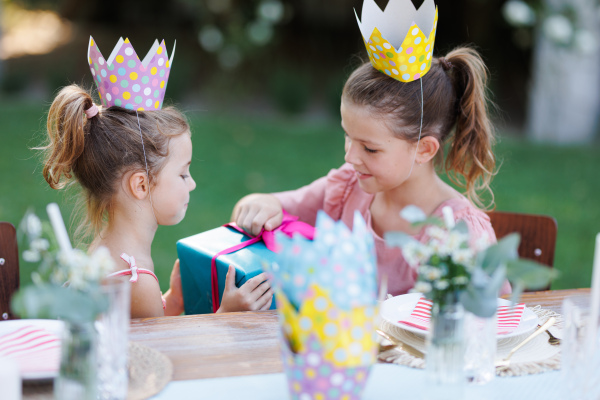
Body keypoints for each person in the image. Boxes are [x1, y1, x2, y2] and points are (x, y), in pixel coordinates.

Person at [232, 47, 511, 297]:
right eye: (348, 137)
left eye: (370, 149)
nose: (350, 157)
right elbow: (262, 209)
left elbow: (490, 324)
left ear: (424, 150)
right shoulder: (346, 189)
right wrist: (260, 203)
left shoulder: (457, 235)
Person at [41, 85, 272, 317]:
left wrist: (173, 300)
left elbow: (140, 328)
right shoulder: (136, 280)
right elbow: (162, 351)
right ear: (141, 185)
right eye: (183, 174)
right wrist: (227, 317)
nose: (192, 184)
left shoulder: (108, 252)